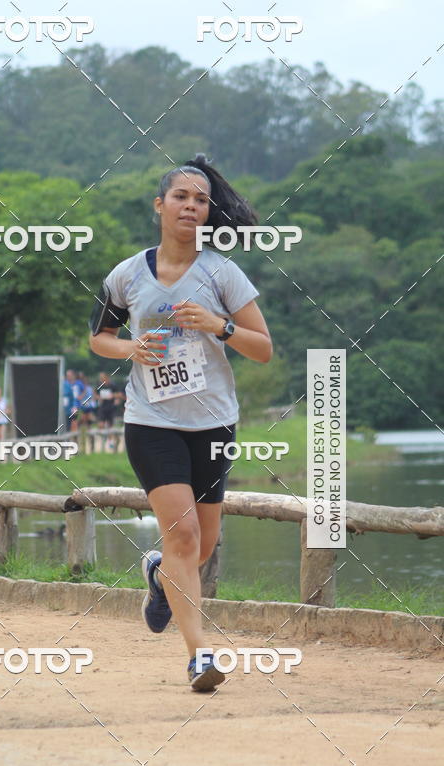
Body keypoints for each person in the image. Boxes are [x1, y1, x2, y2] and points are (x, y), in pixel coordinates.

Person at [89, 154, 272, 692]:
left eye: (201, 201)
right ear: (160, 206)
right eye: (181, 198)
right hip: (152, 422)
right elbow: (98, 337)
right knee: (185, 534)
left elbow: (263, 349)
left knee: (202, 542)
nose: (191, 207)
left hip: (214, 424)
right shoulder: (126, 274)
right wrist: (131, 347)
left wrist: (221, 326)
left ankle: (157, 573)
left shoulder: (222, 272)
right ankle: (199, 655)